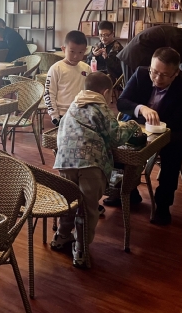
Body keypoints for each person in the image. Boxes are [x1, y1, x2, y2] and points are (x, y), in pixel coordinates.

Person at [51, 72, 140, 268]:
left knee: (69, 203)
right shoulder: (101, 107)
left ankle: (61, 236)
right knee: (87, 209)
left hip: (64, 161)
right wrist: (132, 125)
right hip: (90, 164)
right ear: (106, 92)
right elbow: (116, 137)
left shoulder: (74, 105)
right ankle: (81, 250)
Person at [115, 47, 182, 225]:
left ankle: (163, 205)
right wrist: (141, 108)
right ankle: (127, 191)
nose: (158, 78)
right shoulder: (141, 73)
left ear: (176, 73)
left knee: (174, 156)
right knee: (117, 147)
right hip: (137, 124)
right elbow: (122, 102)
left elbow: (180, 122)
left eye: (164, 75)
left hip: (168, 129)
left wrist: (157, 129)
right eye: (154, 72)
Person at [116, 22, 182, 83]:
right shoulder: (178, 38)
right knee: (134, 92)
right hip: (134, 57)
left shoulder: (180, 35)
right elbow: (175, 63)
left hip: (138, 56)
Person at [44, 30, 91, 127]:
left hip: (82, 113)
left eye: (80, 52)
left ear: (85, 51)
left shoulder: (87, 68)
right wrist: (54, 116)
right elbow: (49, 93)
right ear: (63, 49)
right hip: (63, 114)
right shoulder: (56, 68)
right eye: (72, 51)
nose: (76, 56)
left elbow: (90, 92)